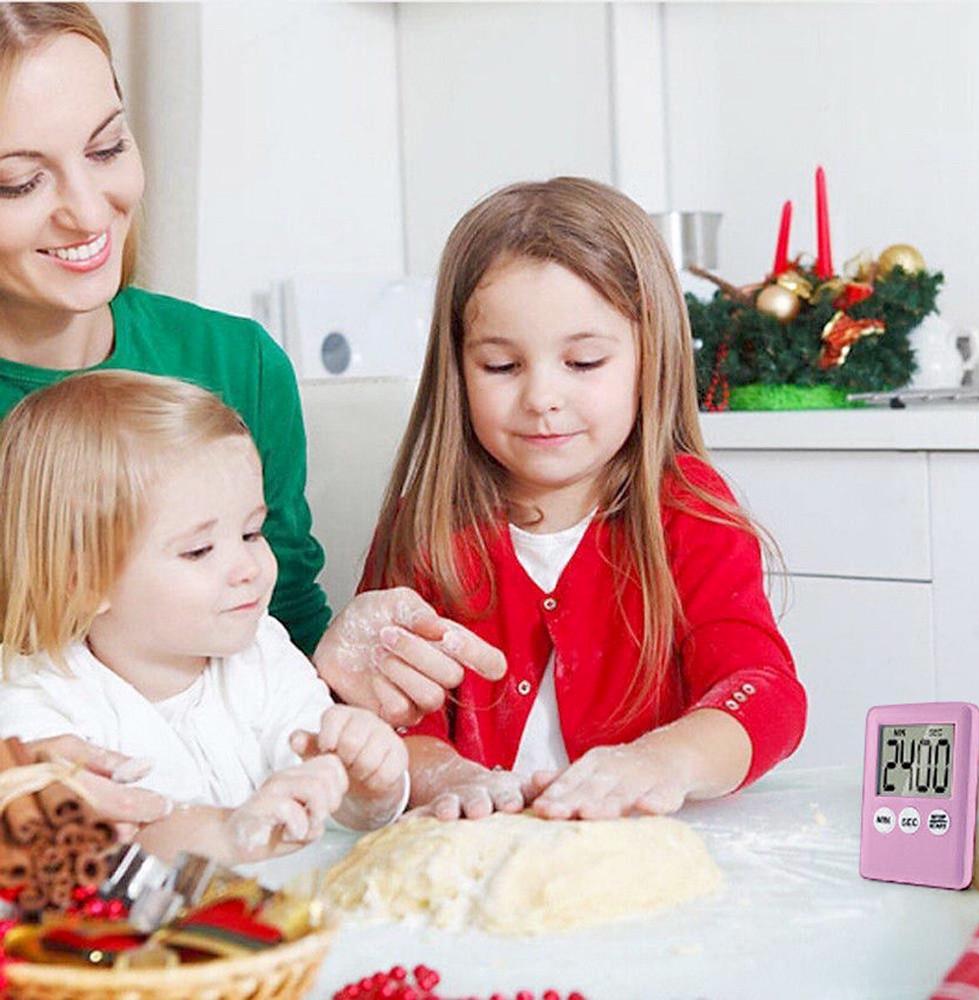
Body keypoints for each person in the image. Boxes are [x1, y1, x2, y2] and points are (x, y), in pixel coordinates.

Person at [0, 1, 505, 821]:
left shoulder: (237, 365)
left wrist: (338, 670)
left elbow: (284, 625)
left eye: (107, 147)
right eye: (19, 181)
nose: (89, 213)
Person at [362, 177, 808, 821]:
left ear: (648, 359)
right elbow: (389, 727)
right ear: (457, 370)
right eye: (501, 367)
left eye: (584, 362)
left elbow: (765, 696)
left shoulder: (686, 510)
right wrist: (447, 777)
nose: (542, 397)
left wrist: (662, 762)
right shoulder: (424, 526)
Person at [0, 371, 409, 863]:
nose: (247, 568)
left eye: (253, 533)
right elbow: (103, 846)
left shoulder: (263, 653)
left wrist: (368, 785)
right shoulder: (35, 700)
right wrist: (230, 832)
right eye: (199, 550)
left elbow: (326, 792)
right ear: (83, 582)